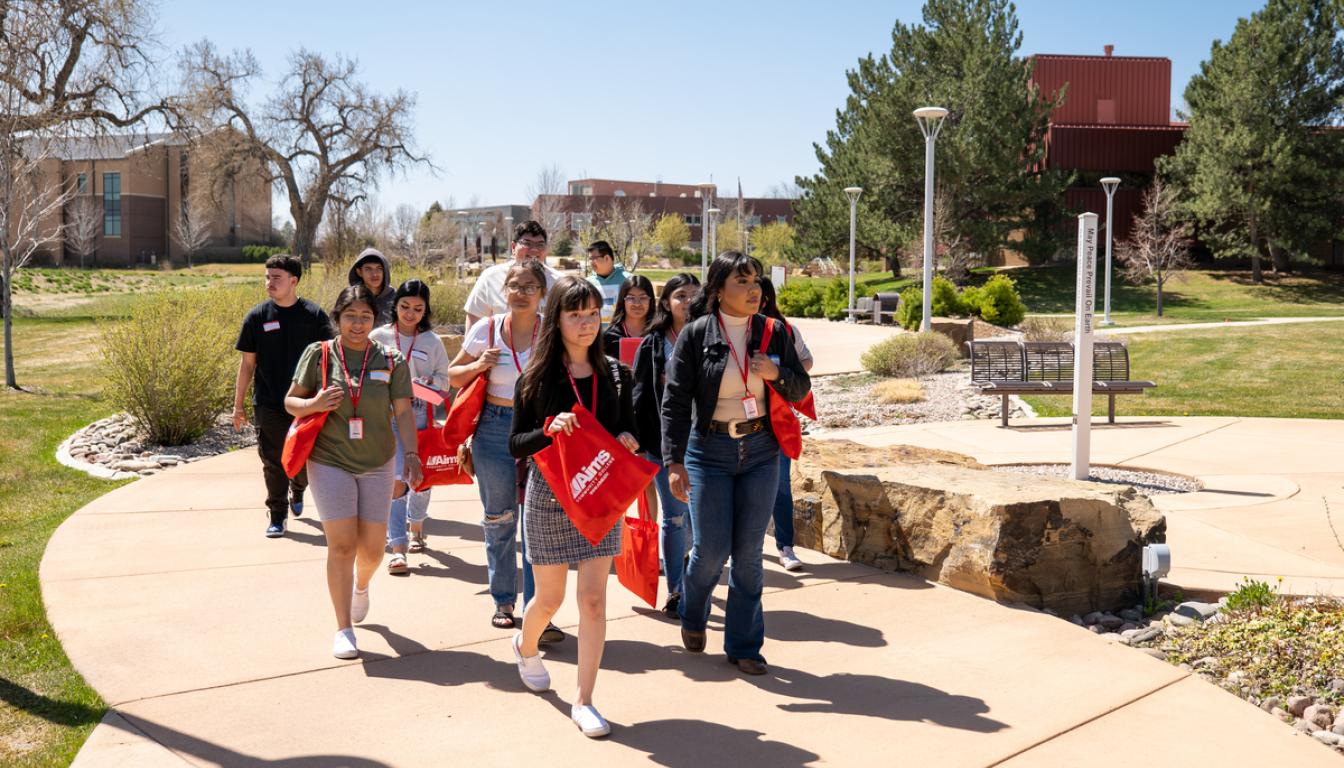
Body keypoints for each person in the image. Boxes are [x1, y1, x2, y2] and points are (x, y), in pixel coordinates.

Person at [661, 252, 811, 676]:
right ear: (718, 290)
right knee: (709, 551)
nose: (754, 290)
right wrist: (674, 461)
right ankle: (692, 609)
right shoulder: (695, 335)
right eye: (742, 282)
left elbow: (801, 388)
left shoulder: (774, 332)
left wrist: (775, 374)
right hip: (709, 451)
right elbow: (673, 404)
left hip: (761, 451)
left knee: (748, 554)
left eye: (756, 281)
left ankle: (745, 645)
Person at [509, 276, 638, 738]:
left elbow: (629, 429)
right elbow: (516, 445)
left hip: (600, 494)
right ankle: (525, 646)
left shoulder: (615, 374)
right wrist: (549, 428)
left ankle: (583, 700)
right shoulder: (537, 377)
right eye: (575, 314)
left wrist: (627, 438)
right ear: (556, 319)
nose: (586, 323)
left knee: (594, 599)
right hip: (551, 495)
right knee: (549, 599)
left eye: (592, 313)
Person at [285, 284, 421, 659]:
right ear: (337, 319)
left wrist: (411, 453)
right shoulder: (320, 355)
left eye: (365, 317)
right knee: (342, 544)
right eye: (350, 317)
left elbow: (405, 412)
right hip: (330, 461)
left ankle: (362, 584)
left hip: (378, 462)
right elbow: (290, 402)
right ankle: (343, 627)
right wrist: (313, 403)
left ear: (374, 320)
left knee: (374, 550)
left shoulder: (391, 360)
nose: (358, 324)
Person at [449, 259, 563, 644]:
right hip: (495, 426)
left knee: (537, 522)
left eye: (530, 286)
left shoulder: (553, 330)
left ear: (542, 292)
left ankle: (538, 611)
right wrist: (479, 363)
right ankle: (503, 601)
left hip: (539, 427)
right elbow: (453, 375)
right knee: (499, 518)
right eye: (515, 285)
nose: (521, 293)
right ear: (505, 289)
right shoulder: (487, 328)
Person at [233, 253, 333, 538]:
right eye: (267, 277)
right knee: (272, 460)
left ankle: (298, 488)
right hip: (268, 403)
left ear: (294, 281)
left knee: (303, 459)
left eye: (276, 278)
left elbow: (330, 359)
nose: (269, 283)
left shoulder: (314, 316)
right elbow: (247, 364)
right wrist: (238, 405)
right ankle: (278, 514)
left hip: (306, 403)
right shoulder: (256, 317)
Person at [369, 279, 450, 574]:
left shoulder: (432, 341)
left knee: (420, 479)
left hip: (420, 416)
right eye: (405, 306)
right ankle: (398, 547)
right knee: (397, 480)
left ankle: (417, 523)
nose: (410, 313)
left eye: (418, 308)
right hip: (387, 416)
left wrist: (432, 383)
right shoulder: (379, 337)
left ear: (425, 310)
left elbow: (445, 379)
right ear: (396, 305)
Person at [631, 273, 700, 617]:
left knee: (696, 521)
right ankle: (676, 590)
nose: (688, 302)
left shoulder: (711, 338)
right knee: (674, 518)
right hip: (664, 443)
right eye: (680, 296)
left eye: (694, 296)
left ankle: (691, 578)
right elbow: (640, 396)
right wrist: (641, 443)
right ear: (667, 303)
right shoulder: (653, 344)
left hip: (706, 442)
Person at [758, 277, 815, 572]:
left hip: (779, 417)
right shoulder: (732, 329)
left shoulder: (785, 330)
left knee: (780, 484)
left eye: (760, 295)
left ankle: (785, 546)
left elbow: (806, 361)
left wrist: (780, 374)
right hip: (742, 420)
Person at [463, 220, 562, 329]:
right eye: (527, 243)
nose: (534, 249)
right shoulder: (490, 278)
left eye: (540, 244)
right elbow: (474, 321)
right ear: (513, 247)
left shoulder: (560, 282)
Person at [601, 274, 655, 352]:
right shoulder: (609, 336)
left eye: (643, 298)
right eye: (631, 298)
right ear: (623, 301)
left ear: (651, 301)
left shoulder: (658, 335)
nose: (637, 304)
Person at [585, 240, 628, 329]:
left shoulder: (628, 280)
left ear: (607, 258)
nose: (591, 262)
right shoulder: (587, 283)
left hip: (620, 334)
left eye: (594, 258)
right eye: (590, 259)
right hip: (594, 335)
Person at [348, 248, 396, 325]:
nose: (375, 274)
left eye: (379, 269)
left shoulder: (396, 298)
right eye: (368, 269)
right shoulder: (350, 297)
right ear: (359, 272)